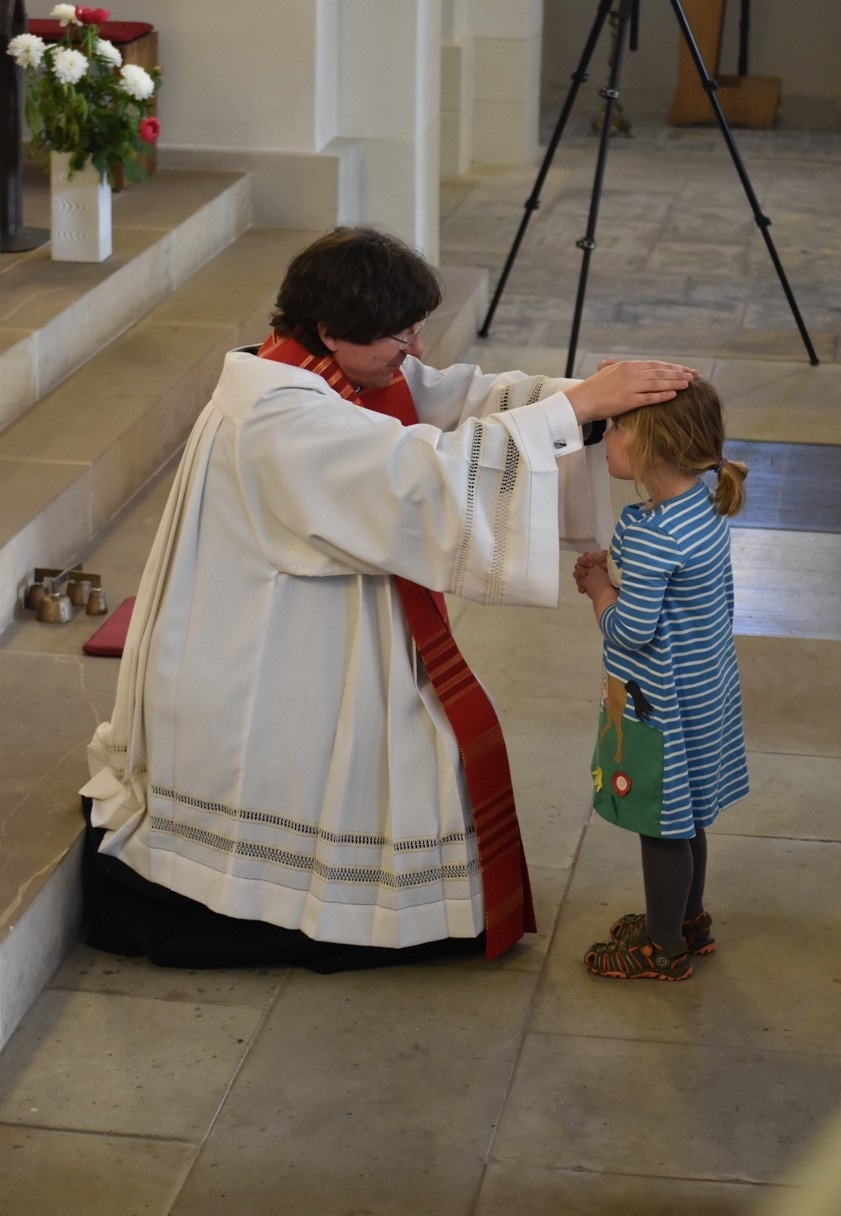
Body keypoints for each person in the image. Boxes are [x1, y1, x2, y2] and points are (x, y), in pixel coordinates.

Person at [80, 225, 696, 973]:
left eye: (416, 329)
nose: (416, 350)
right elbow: (416, 474)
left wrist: (584, 402)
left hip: (308, 608)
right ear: (331, 331)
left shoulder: (327, 365)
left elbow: (455, 401)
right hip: (268, 647)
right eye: (400, 337)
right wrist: (572, 414)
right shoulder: (278, 412)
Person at [573, 374, 749, 982]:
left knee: (661, 824)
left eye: (618, 426)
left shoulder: (651, 532)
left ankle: (662, 946)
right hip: (703, 694)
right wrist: (618, 576)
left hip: (662, 704)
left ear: (653, 446)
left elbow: (630, 631)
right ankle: (687, 919)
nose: (607, 435)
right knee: (688, 814)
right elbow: (675, 604)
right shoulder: (701, 508)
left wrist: (599, 589)